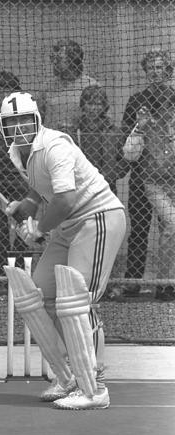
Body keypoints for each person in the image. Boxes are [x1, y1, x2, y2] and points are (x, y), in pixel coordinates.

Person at [1, 92, 126, 410]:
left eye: (23, 121)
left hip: (97, 218)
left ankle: (94, 386)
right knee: (38, 295)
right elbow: (40, 188)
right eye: (11, 122)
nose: (18, 129)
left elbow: (66, 200)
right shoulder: (20, 152)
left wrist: (38, 229)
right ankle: (70, 375)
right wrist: (24, 206)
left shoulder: (54, 146)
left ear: (37, 120)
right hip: (68, 227)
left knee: (78, 300)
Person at [121, 48, 175, 297]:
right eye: (150, 67)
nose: (155, 71)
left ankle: (166, 284)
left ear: (167, 70)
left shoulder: (174, 98)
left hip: (169, 176)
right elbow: (125, 139)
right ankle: (133, 281)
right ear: (145, 71)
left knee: (170, 227)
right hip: (143, 175)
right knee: (140, 228)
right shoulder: (136, 101)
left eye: (159, 67)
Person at [0, 71, 28, 277]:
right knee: (0, 230)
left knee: (24, 227)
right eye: (0, 89)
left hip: (21, 179)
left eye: (9, 88)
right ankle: (3, 275)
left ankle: (20, 273)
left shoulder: (27, 115)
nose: (4, 93)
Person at [75, 85, 130, 195]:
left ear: (104, 106)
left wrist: (110, 176)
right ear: (83, 105)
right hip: (80, 189)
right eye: (90, 104)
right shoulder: (75, 131)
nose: (93, 108)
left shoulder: (114, 132)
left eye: (98, 104)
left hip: (107, 190)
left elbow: (124, 160)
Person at [39, 39, 98, 136]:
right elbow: (38, 120)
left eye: (58, 59)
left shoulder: (91, 86)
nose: (54, 62)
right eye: (52, 58)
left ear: (73, 60)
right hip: (50, 145)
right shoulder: (47, 87)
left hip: (80, 146)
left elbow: (102, 121)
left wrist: (76, 130)